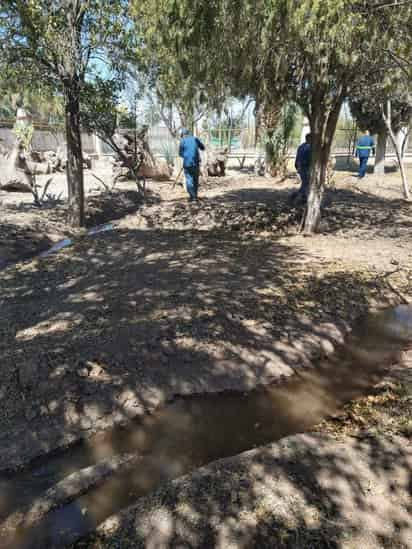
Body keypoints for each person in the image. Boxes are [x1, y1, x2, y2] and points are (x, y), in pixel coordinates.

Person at [179, 128, 205, 201]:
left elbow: (180, 154)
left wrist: (186, 156)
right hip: (195, 163)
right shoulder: (195, 139)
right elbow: (203, 147)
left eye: (182, 135)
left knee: (189, 179)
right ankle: (195, 196)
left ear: (183, 135)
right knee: (195, 180)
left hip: (187, 164)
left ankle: (192, 196)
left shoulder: (182, 141)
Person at [292, 133, 312, 202]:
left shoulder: (301, 146)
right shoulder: (309, 147)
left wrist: (297, 166)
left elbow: (297, 157)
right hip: (306, 167)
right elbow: (309, 159)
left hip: (300, 167)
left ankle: (303, 198)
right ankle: (295, 195)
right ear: (309, 138)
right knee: (306, 183)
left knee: (305, 183)